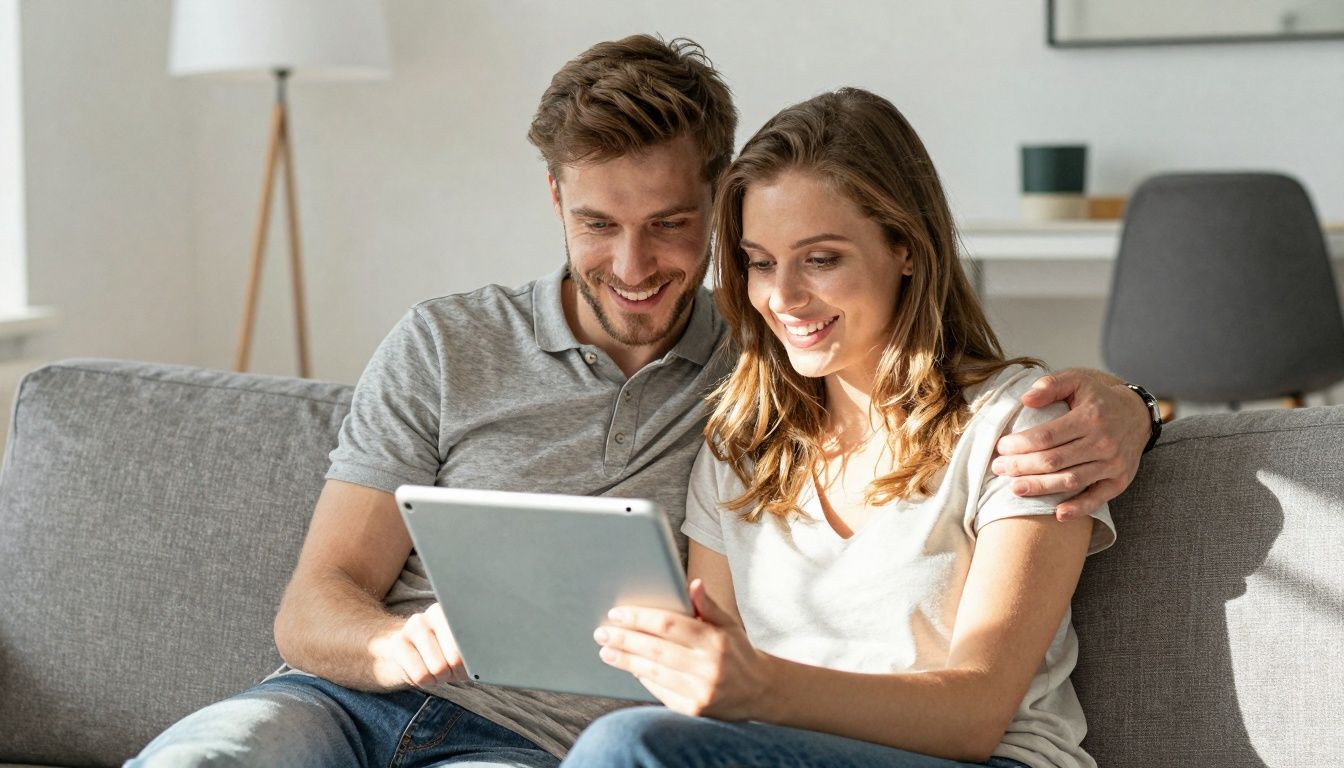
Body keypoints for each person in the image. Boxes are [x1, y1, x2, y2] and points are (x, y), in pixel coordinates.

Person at [129, 38, 1147, 767]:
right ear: (554, 202)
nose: (632, 265)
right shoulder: (720, 422)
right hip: (345, 707)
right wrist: (394, 647)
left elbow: (952, 699)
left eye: (670, 226)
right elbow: (314, 602)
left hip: (549, 746)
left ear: (711, 206)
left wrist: (1133, 403)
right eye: (596, 223)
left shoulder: (763, 389)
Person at [564, 88, 1117, 768]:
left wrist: (761, 686)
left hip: (985, 760)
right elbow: (722, 689)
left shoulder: (1016, 428)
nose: (785, 298)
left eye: (821, 260)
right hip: (785, 753)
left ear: (905, 249)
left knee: (629, 745)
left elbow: (976, 714)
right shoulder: (741, 445)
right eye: (760, 263)